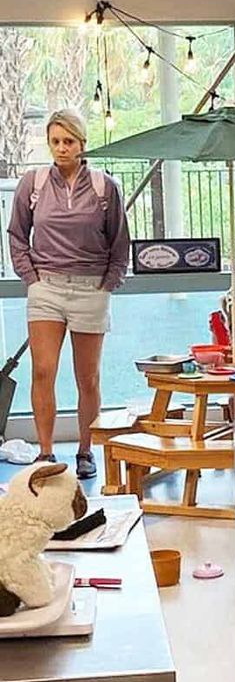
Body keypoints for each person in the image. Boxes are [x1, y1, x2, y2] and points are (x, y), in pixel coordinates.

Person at [7, 109, 130, 478]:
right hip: (46, 287)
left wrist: (109, 282)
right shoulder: (34, 183)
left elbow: (120, 242)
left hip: (90, 288)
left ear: (82, 144)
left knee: (87, 377)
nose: (61, 148)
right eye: (56, 141)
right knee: (43, 370)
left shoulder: (104, 187)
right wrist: (31, 277)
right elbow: (16, 235)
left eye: (69, 142)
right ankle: (45, 453)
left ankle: (85, 450)